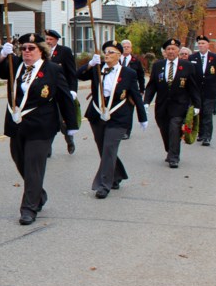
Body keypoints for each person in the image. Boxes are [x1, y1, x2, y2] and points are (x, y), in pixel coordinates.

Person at [0, 33, 78, 225]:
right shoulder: (15, 66)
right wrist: (1, 55)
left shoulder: (53, 70)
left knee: (33, 167)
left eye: (31, 48)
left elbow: (64, 98)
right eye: (23, 48)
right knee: (20, 161)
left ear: (42, 51)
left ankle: (29, 209)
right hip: (17, 125)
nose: (26, 52)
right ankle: (38, 193)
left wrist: (71, 126)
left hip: (42, 126)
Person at [78, 41, 147, 198]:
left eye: (111, 52)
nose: (107, 54)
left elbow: (135, 95)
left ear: (119, 55)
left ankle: (104, 185)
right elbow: (78, 75)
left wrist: (142, 117)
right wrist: (89, 64)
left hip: (118, 117)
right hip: (97, 115)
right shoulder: (97, 68)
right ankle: (116, 175)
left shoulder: (128, 73)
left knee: (109, 147)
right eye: (105, 52)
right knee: (104, 149)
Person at [143, 39, 201, 168]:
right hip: (162, 106)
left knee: (175, 128)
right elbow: (152, 85)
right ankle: (170, 151)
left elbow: (193, 87)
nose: (170, 51)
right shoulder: (158, 66)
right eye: (168, 49)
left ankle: (174, 157)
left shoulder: (187, 66)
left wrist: (197, 105)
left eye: (173, 49)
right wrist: (146, 101)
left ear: (178, 51)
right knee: (164, 130)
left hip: (179, 105)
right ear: (165, 52)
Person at [44, 29, 78, 155]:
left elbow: (71, 72)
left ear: (57, 40)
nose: (48, 42)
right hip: (46, 93)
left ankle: (69, 140)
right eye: (46, 39)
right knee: (49, 120)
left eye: (50, 39)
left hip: (62, 92)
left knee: (62, 120)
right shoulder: (42, 52)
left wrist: (73, 90)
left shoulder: (65, 52)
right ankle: (47, 148)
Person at [190, 35, 216, 147]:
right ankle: (200, 133)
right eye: (199, 44)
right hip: (196, 90)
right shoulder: (192, 57)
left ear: (208, 45)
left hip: (210, 90)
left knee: (207, 113)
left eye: (203, 43)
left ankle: (207, 137)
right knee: (197, 112)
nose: (201, 45)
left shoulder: (215, 57)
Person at [119, 39, 147, 139]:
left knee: (128, 111)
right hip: (118, 90)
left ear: (131, 49)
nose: (126, 49)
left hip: (131, 91)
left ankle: (127, 131)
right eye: (124, 47)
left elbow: (141, 76)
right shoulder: (117, 60)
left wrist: (142, 90)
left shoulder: (136, 61)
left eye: (128, 47)